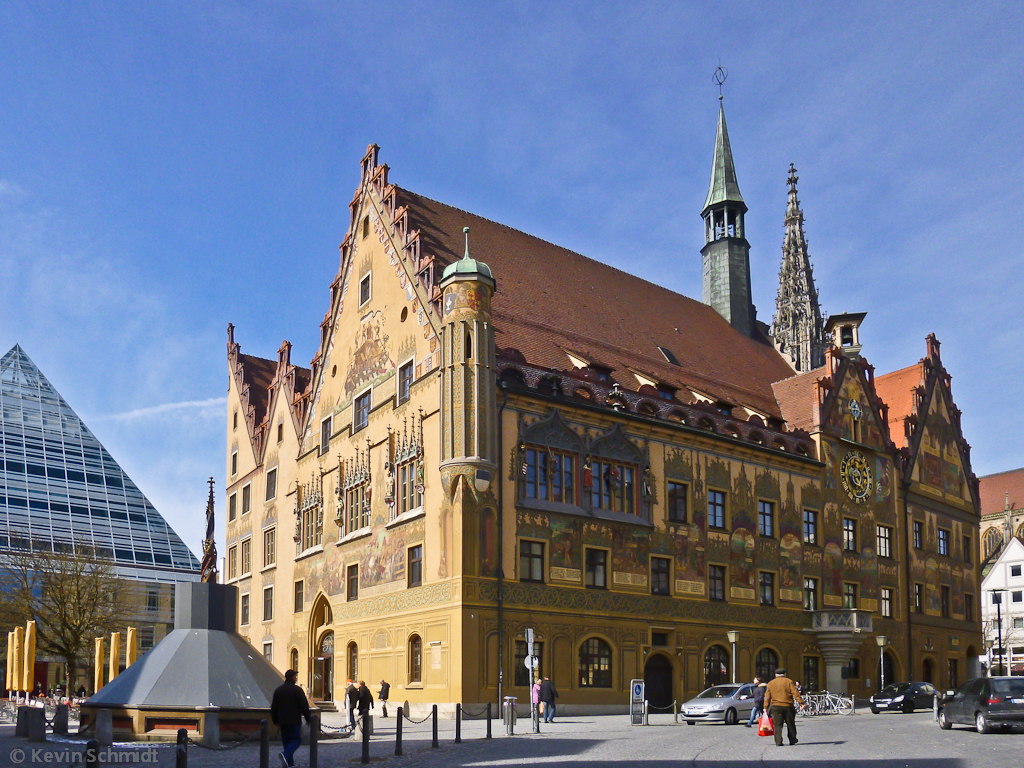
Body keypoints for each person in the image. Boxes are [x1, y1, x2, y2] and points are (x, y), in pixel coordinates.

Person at [270, 669, 312, 768]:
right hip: (294, 720)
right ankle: (286, 754)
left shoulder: (279, 690)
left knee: (286, 741)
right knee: (296, 740)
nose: (296, 678)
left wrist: (275, 720)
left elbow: (274, 707)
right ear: (293, 678)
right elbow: (304, 706)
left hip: (282, 720)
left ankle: (289, 762)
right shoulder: (297, 690)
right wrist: (308, 719)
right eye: (295, 676)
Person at [763, 668, 803, 747]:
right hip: (788, 706)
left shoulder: (771, 683)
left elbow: (767, 696)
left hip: (776, 706)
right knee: (790, 723)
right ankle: (792, 739)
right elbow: (795, 693)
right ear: (784, 674)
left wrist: (765, 707)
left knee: (777, 725)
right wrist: (801, 703)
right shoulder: (789, 681)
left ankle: (778, 741)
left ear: (775, 675)